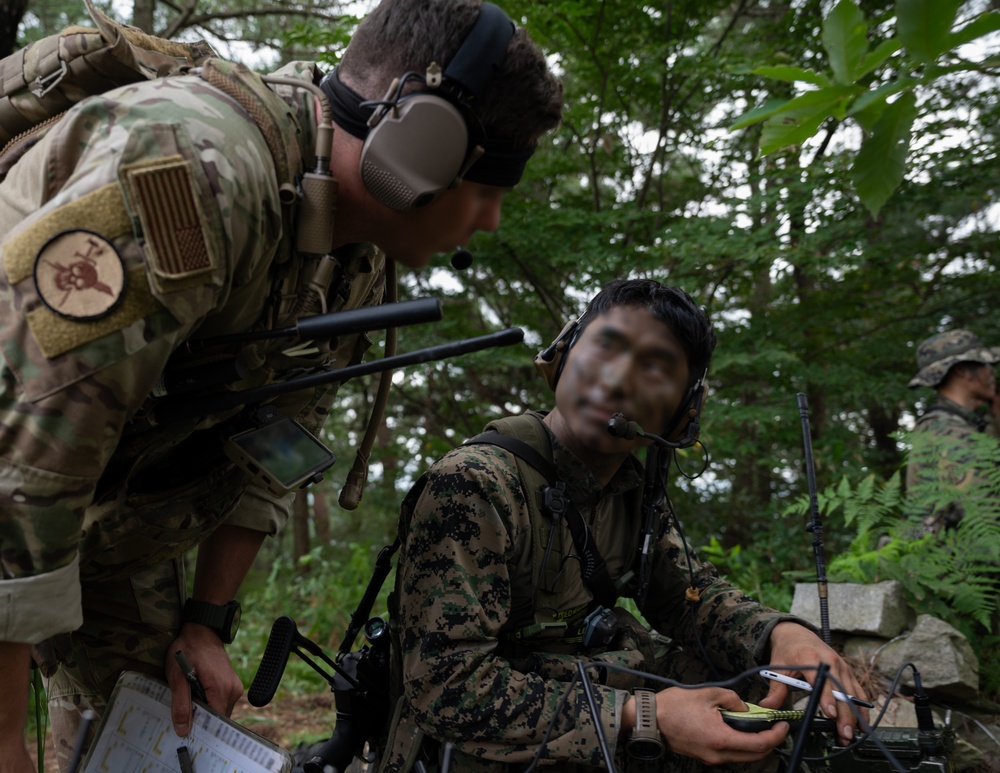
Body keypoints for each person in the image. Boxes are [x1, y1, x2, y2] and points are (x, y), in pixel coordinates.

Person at [0, 1, 562, 770]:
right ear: (420, 150)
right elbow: (24, 459)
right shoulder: (194, 172)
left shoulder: (351, 257)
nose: (493, 219)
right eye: (491, 183)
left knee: (152, 741)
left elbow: (271, 446)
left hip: (107, 522)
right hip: (24, 483)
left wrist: (205, 620)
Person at [380, 279, 867, 772]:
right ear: (563, 354)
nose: (615, 380)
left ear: (683, 414)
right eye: (605, 346)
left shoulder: (630, 491)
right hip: (474, 746)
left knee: (754, 685)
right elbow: (445, 686)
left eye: (655, 367)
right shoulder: (477, 484)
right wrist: (644, 715)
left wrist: (780, 634)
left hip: (580, 694)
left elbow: (687, 599)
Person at [905, 329, 1000, 534]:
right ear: (962, 371)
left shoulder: (961, 424)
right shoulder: (948, 433)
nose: (991, 372)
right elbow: (985, 517)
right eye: (985, 364)